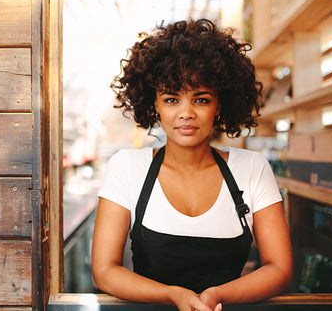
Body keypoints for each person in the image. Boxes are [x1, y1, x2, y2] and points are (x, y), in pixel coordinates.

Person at [91, 19, 293, 311]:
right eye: (172, 99)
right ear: (155, 105)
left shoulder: (252, 169)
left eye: (200, 99)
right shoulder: (126, 167)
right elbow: (105, 271)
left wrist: (216, 296)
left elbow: (280, 269)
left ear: (219, 105)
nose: (186, 113)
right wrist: (174, 295)